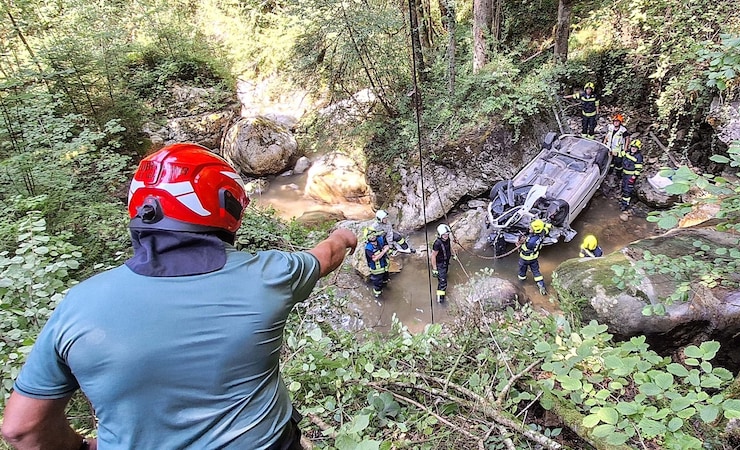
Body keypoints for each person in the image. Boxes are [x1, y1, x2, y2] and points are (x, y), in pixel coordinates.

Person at [0, 143, 358, 450]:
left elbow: (22, 428)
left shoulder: (78, 305)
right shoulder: (270, 274)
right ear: (226, 208)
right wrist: (344, 235)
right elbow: (326, 256)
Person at [518, 219, 551, 295]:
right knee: (536, 272)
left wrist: (521, 242)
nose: (529, 228)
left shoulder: (530, 242)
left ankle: (521, 283)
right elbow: (546, 228)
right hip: (534, 258)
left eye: (531, 228)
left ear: (535, 230)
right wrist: (546, 225)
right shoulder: (542, 233)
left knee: (522, 272)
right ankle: (542, 286)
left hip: (525, 259)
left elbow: (524, 248)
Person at [430, 224, 455, 303]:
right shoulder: (437, 243)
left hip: (446, 262)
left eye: (447, 234)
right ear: (440, 234)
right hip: (440, 264)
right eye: (444, 235)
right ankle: (440, 300)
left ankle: (443, 277)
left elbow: (449, 247)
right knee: (442, 283)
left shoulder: (447, 239)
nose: (446, 236)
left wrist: (453, 254)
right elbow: (433, 256)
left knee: (444, 275)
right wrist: (434, 269)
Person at [364, 226, 391, 298]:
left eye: (373, 234)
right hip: (376, 270)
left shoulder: (380, 239)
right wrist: (384, 250)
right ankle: (378, 295)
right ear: (367, 238)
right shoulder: (368, 248)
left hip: (384, 266)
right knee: (377, 284)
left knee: (385, 278)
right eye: (370, 236)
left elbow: (386, 241)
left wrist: (386, 246)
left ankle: (385, 286)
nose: (372, 237)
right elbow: (375, 259)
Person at [603, 113, 630, 180]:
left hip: (618, 149)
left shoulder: (623, 130)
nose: (616, 123)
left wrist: (626, 147)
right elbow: (608, 135)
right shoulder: (611, 127)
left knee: (618, 163)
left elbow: (627, 138)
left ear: (620, 122)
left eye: (617, 121)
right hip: (610, 148)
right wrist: (604, 142)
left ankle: (618, 174)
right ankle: (610, 171)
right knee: (610, 161)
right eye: (615, 121)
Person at [619, 139, 644, 211]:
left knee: (627, 189)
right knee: (624, 187)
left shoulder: (638, 157)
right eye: (632, 147)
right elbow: (620, 154)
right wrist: (612, 153)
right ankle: (623, 200)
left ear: (638, 149)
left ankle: (625, 204)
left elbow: (638, 169)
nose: (633, 148)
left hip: (630, 176)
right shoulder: (627, 152)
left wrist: (634, 177)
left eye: (635, 148)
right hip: (624, 174)